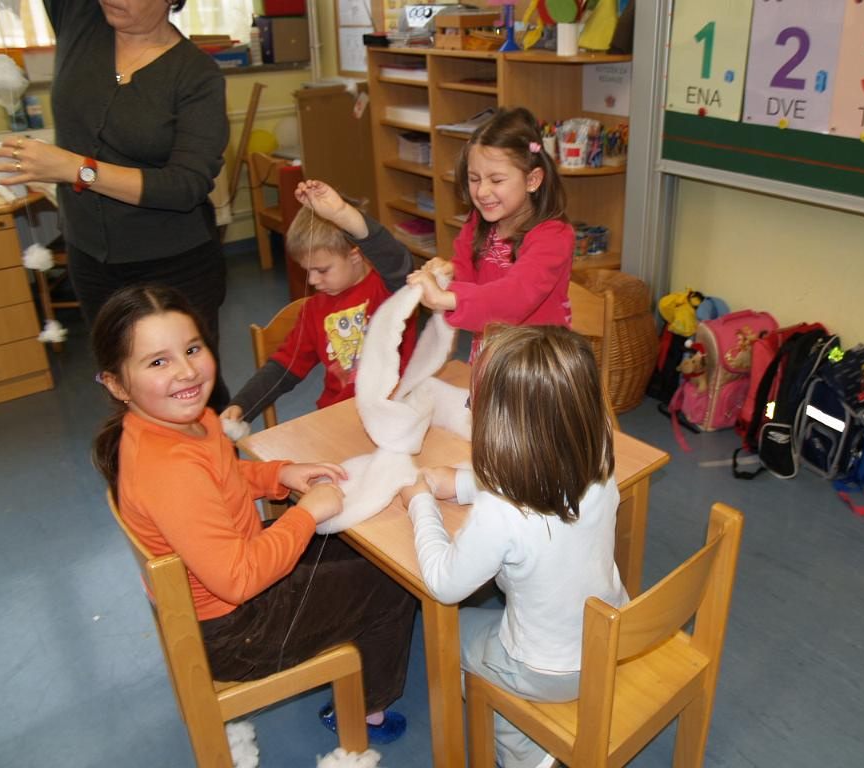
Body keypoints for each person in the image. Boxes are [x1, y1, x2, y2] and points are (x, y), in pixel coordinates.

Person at [91, 284, 415, 743]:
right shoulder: (169, 469)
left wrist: (279, 474)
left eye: (192, 349)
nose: (186, 371)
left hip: (234, 581)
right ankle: (364, 712)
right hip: (239, 630)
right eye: (158, 362)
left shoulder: (184, 421)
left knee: (365, 547)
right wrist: (305, 515)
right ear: (116, 384)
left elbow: (222, 478)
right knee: (392, 579)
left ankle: (350, 644)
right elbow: (238, 579)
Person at [399, 324, 627, 768]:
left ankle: (523, 749)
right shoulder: (599, 462)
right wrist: (462, 483)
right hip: (611, 638)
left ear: (498, 425)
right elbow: (537, 469)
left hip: (546, 671)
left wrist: (421, 504)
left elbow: (444, 582)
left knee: (446, 634)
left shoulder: (500, 512)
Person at [0, 0, 232, 409]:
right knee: (124, 386)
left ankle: (214, 450)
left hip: (175, 264)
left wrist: (77, 170)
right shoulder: (81, 16)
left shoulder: (196, 75)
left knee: (189, 391)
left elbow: (185, 185)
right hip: (90, 257)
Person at [220, 179, 416, 425]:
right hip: (339, 418)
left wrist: (342, 214)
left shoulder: (391, 288)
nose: (312, 281)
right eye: (307, 271)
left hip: (397, 411)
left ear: (355, 256)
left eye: (322, 270)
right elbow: (285, 366)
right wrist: (242, 405)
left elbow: (395, 259)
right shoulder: (314, 310)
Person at [407, 107, 573, 360]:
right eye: (474, 179)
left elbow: (516, 296)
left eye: (496, 180)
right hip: (492, 351)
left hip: (536, 364)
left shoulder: (554, 236)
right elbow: (467, 271)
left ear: (532, 180)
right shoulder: (479, 221)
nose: (482, 192)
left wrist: (446, 299)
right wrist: (449, 270)